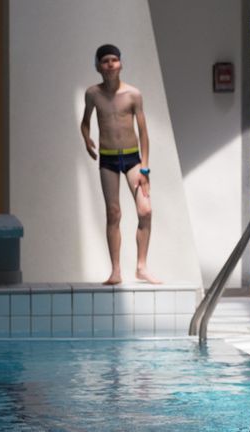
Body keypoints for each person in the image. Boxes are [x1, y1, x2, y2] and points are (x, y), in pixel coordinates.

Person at [80, 44, 161, 285]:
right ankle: (115, 270)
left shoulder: (133, 94)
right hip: (108, 158)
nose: (110, 64)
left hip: (132, 157)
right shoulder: (92, 94)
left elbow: (144, 132)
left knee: (145, 210)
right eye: (105, 61)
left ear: (121, 64)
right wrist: (86, 139)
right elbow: (85, 122)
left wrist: (145, 168)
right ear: (98, 66)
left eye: (114, 60)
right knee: (113, 213)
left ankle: (141, 266)